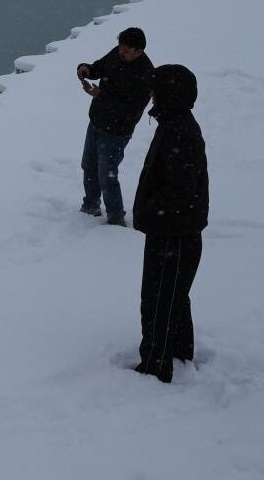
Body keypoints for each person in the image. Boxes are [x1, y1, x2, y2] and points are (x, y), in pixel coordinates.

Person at [131, 63, 209, 383]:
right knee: (172, 295)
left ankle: (154, 367)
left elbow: (179, 190)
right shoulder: (176, 124)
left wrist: (153, 212)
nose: (151, 94)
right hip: (174, 231)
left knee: (159, 299)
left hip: (173, 233)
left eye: (156, 88)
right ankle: (179, 351)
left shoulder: (179, 130)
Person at [75, 27, 153, 225]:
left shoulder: (146, 75)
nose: (121, 52)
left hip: (116, 133)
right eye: (120, 48)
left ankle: (116, 218)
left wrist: (100, 96)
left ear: (139, 51)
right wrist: (87, 69)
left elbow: (130, 111)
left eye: (126, 50)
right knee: (89, 167)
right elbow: (99, 67)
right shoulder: (117, 54)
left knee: (107, 176)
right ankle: (90, 206)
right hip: (96, 123)